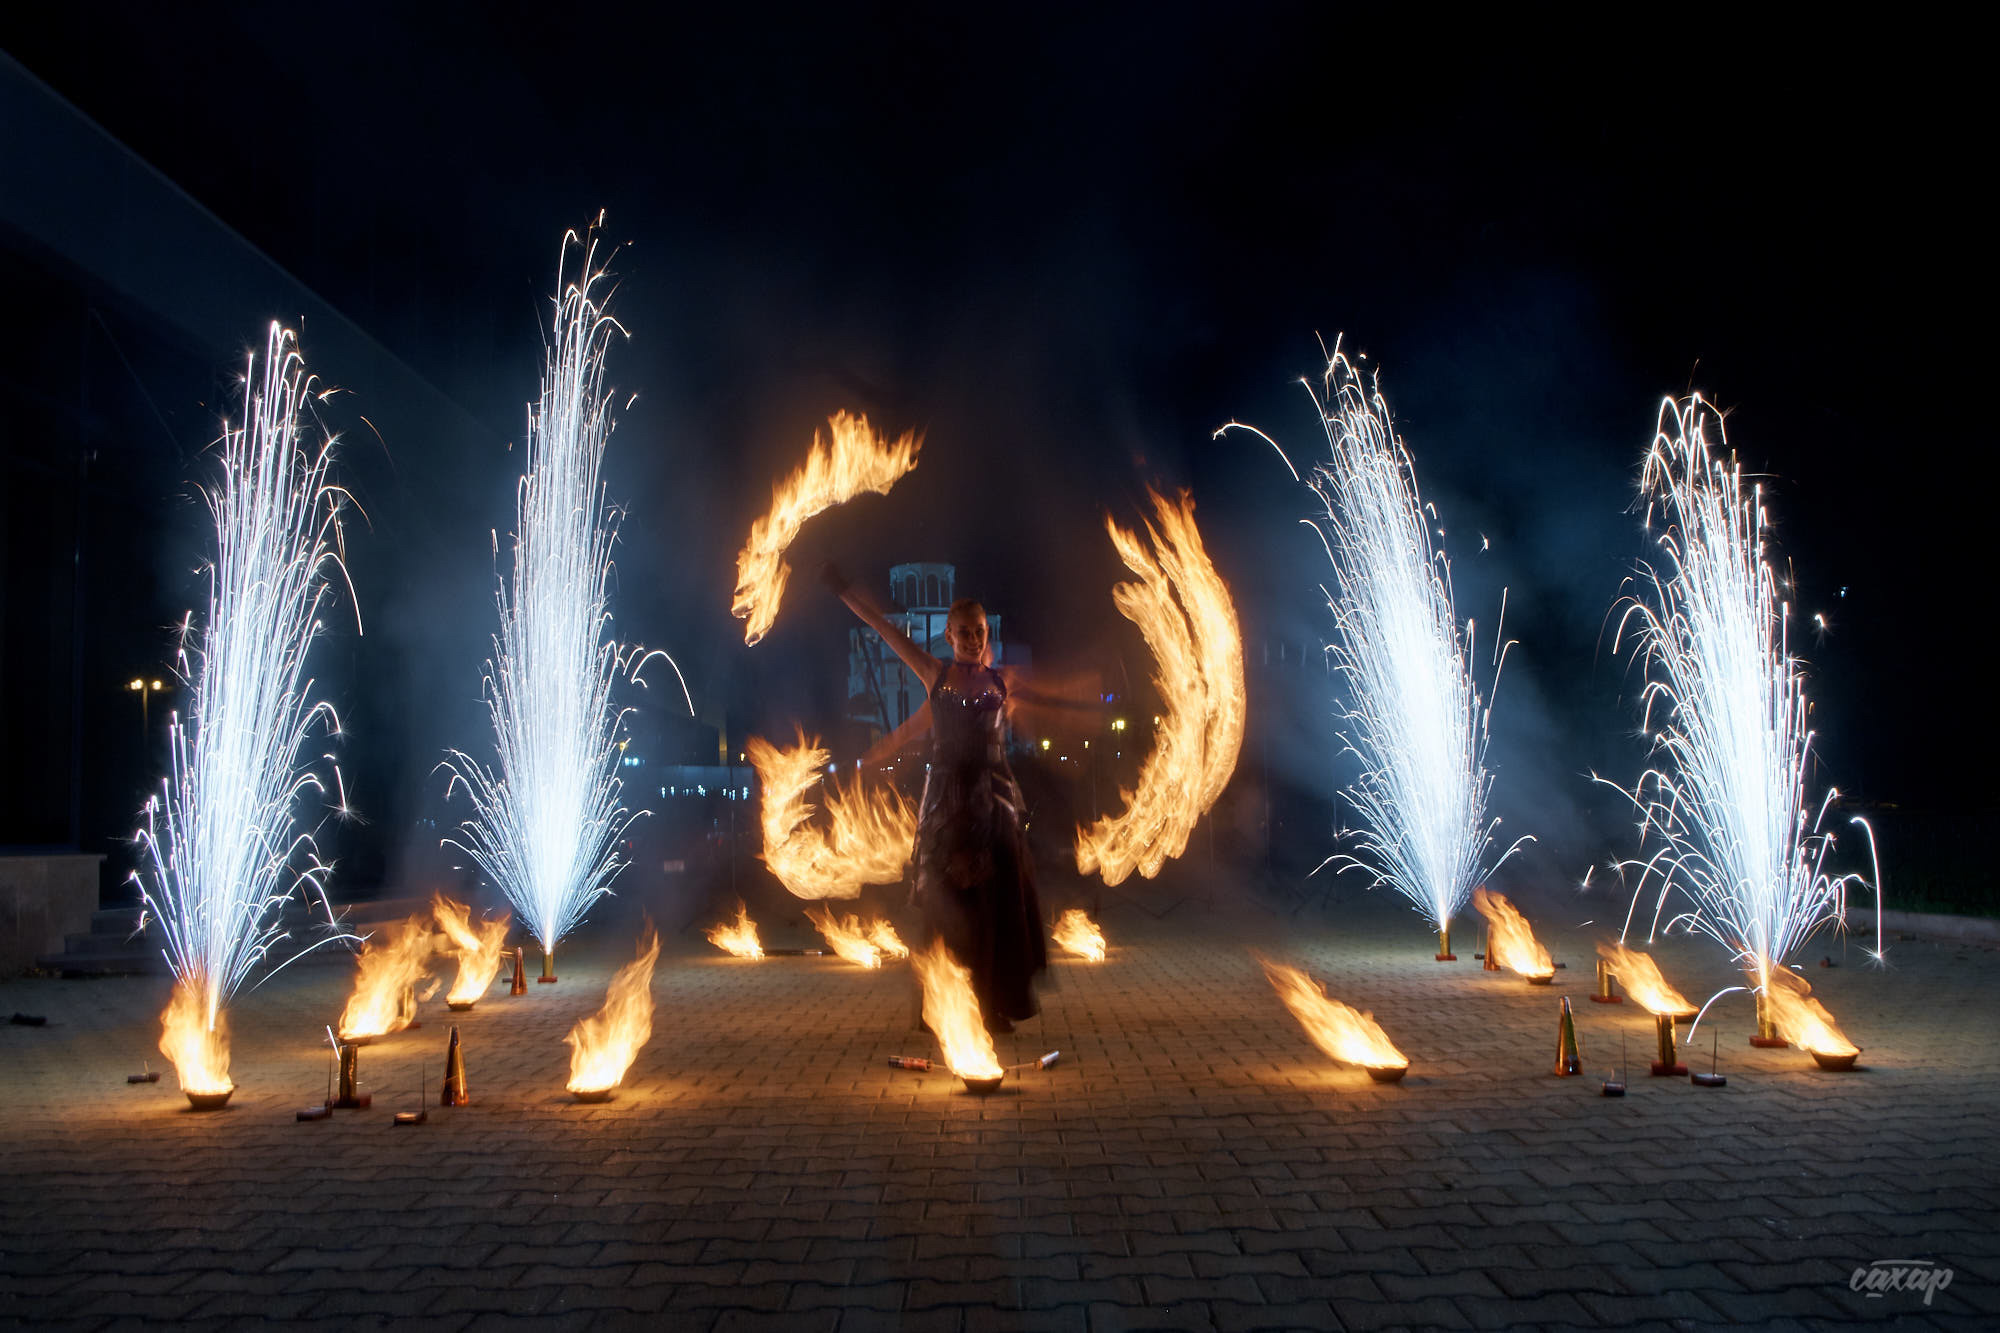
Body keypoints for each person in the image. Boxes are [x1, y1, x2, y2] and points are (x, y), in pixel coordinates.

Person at [822, 563, 1046, 1032]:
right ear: (948, 635)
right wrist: (845, 589)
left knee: (997, 905)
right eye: (963, 632)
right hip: (950, 809)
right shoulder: (935, 673)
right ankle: (945, 1006)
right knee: (952, 906)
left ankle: (990, 1005)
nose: (972, 639)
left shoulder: (1002, 683)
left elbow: (1041, 706)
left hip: (996, 802)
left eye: (979, 632)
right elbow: (883, 627)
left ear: (987, 634)